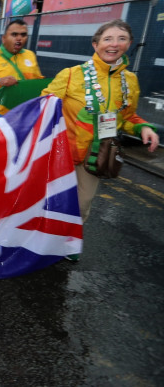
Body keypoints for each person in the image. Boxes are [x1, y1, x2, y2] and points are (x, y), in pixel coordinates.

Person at [41, 20, 159, 238]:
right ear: (95, 45)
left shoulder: (131, 80)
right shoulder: (70, 74)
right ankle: (43, 239)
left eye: (121, 39)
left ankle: (68, 241)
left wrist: (143, 127)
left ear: (129, 43)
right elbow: (43, 106)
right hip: (61, 153)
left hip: (96, 156)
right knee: (50, 199)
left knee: (82, 203)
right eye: (108, 39)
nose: (114, 44)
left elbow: (127, 116)